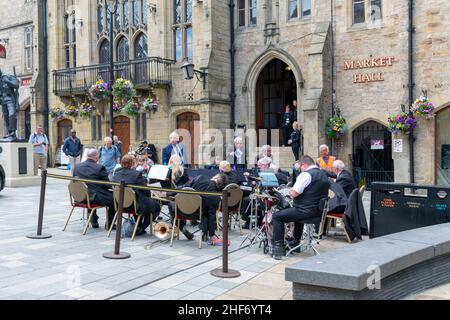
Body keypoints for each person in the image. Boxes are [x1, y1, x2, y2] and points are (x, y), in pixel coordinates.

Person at [271, 155, 330, 260]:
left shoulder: (306, 175)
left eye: (299, 168)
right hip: (317, 212)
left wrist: (289, 191)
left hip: (305, 211)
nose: (299, 170)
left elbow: (294, 193)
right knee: (295, 215)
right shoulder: (323, 174)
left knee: (277, 216)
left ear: (304, 165)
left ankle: (278, 248)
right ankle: (295, 244)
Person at [169, 173, 228, 245]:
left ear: (216, 178)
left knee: (171, 205)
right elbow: (211, 216)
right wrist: (212, 235)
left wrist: (167, 193)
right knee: (206, 212)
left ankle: (181, 227)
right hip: (197, 215)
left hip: (181, 211)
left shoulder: (200, 178)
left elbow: (183, 187)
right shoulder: (216, 197)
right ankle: (205, 233)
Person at [112, 155, 161, 235]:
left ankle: (138, 226)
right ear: (132, 163)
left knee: (143, 201)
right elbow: (146, 191)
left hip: (119, 204)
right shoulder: (136, 174)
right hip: (135, 205)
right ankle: (141, 228)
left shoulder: (116, 173)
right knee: (156, 206)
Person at [73, 149, 115, 229]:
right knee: (115, 199)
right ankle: (110, 224)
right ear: (96, 157)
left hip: (79, 196)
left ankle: (93, 218)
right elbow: (108, 185)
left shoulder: (77, 166)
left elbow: (75, 181)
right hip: (92, 198)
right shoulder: (99, 167)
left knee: (91, 191)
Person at [0, 69, 19, 140]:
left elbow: (16, 85)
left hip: (10, 98)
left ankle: (13, 131)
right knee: (6, 117)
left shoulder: (8, 76)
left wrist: (7, 81)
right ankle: (9, 132)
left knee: (12, 114)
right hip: (2, 100)